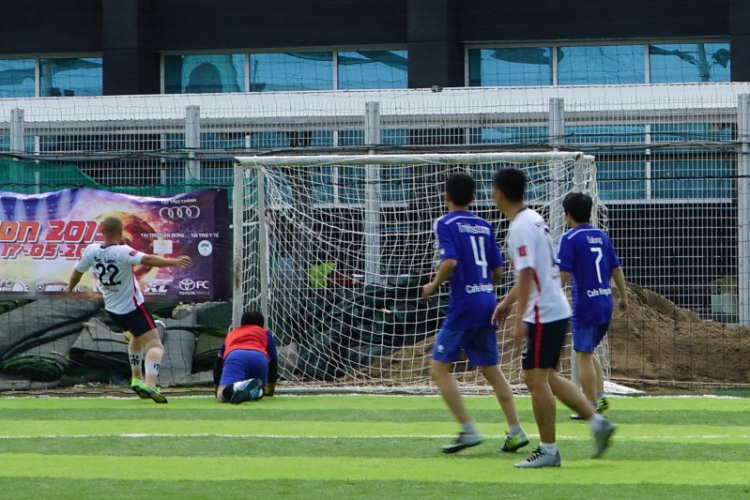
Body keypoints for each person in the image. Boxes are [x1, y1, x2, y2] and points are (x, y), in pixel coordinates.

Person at [491, 168, 616, 468]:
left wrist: (519, 316)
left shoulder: (520, 227)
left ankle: (548, 450)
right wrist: (507, 303)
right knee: (545, 376)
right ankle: (597, 422)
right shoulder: (534, 218)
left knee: (534, 379)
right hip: (554, 307)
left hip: (541, 312)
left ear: (498, 193)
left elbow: (527, 274)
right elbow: (537, 271)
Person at [422, 172, 529, 455]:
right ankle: (516, 431)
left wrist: (433, 284)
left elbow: (450, 261)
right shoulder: (484, 225)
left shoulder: (445, 223)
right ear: (473, 198)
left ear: (445, 197)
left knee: (438, 369)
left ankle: (468, 429)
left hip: (463, 306)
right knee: (492, 371)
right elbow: (498, 270)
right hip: (487, 301)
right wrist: (484, 287)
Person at [66, 216, 192, 403]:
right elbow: (147, 259)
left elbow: (77, 273)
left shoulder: (91, 251)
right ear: (121, 232)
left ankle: (136, 378)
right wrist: (174, 262)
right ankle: (150, 384)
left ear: (102, 231)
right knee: (155, 345)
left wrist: (69, 289)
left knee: (136, 337)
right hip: (132, 308)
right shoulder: (123, 251)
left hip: (112, 309)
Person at [558, 193, 628, 419]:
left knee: (583, 355)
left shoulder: (570, 238)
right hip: (605, 301)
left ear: (567, 215)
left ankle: (589, 406)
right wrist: (624, 297)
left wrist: (551, 295)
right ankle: (599, 396)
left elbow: (564, 274)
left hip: (585, 303)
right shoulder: (602, 236)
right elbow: (616, 269)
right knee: (587, 351)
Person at [213, 310, 279, 404]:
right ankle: (257, 390)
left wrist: (217, 389)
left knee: (222, 395)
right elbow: (273, 362)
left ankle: (236, 387)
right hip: (259, 357)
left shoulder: (232, 333)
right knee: (259, 390)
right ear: (262, 324)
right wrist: (270, 390)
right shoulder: (265, 333)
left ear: (241, 323)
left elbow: (218, 362)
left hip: (236, 356)